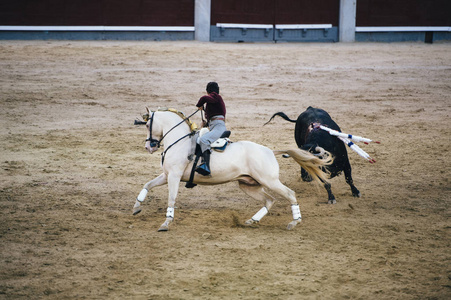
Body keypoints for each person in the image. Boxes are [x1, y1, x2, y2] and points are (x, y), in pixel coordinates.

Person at [195, 82, 227, 176]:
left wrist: (199, 105)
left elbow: (204, 98)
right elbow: (215, 115)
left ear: (208, 90)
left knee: (204, 140)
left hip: (218, 126)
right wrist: (206, 124)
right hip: (214, 125)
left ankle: (206, 166)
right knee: (198, 139)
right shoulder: (215, 100)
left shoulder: (215, 96)